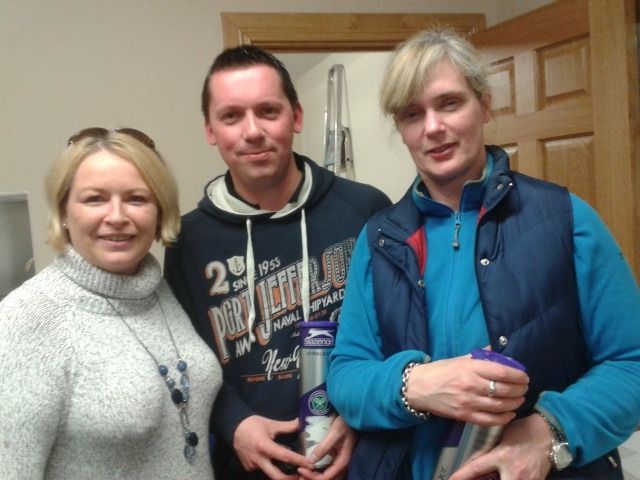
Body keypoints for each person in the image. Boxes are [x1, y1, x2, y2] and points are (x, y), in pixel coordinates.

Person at [327, 28, 640, 480]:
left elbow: (631, 364)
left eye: (449, 103)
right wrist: (416, 384)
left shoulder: (566, 218)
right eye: (412, 113)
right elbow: (346, 376)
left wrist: (547, 433)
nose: (433, 127)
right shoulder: (379, 239)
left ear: (485, 105)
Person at [163, 45, 391, 479]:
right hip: (245, 465)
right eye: (231, 116)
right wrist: (234, 424)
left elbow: (399, 330)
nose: (252, 131)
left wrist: (362, 412)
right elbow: (181, 356)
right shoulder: (187, 240)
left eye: (268, 111)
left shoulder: (366, 209)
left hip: (361, 456)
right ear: (210, 129)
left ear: (297, 116)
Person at [0, 127, 222, 479]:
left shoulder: (157, 291)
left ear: (160, 211)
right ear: (63, 211)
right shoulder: (28, 318)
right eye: (95, 199)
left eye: (136, 199)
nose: (117, 216)